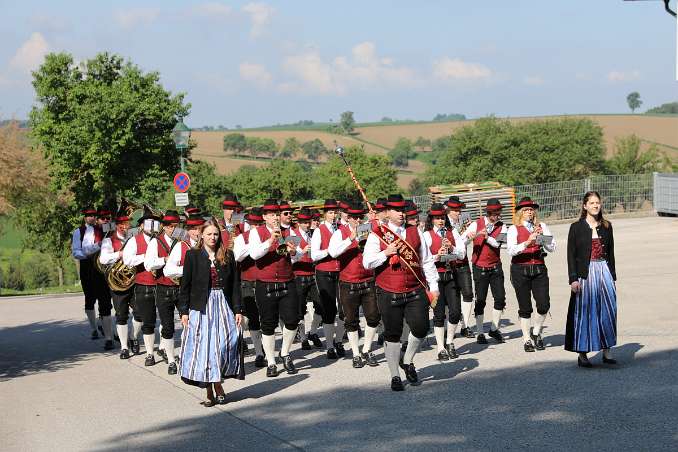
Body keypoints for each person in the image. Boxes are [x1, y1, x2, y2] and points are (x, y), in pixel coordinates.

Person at [363, 194, 439, 391]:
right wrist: (385, 253)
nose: (401, 214)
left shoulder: (415, 232)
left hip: (414, 288)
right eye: (397, 210)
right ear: (387, 212)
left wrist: (434, 286)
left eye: (403, 210)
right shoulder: (377, 234)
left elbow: (427, 260)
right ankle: (395, 375)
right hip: (388, 290)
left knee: (421, 328)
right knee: (393, 334)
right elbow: (367, 262)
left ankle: (407, 360)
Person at [178, 219, 244, 406]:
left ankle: (218, 382)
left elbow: (235, 286)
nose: (213, 237)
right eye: (209, 234)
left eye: (215, 234)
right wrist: (183, 310)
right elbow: (186, 285)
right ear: (202, 235)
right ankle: (211, 388)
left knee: (224, 344)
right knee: (205, 349)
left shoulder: (227, 255)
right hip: (201, 306)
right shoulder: (193, 255)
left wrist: (238, 309)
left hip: (223, 304)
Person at [565, 191, 617, 368]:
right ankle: (582, 353)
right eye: (592, 203)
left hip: (604, 270)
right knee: (585, 313)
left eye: (598, 203)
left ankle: (607, 351)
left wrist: (613, 277)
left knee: (608, 311)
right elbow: (571, 255)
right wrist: (573, 279)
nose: (595, 206)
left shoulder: (607, 226)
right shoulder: (576, 227)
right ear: (585, 206)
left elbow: (611, 253)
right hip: (585, 273)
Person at [248, 199, 300, 377]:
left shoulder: (289, 231)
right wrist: (271, 240)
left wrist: (294, 253)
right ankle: (271, 362)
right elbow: (254, 254)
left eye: (277, 214)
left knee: (292, 320)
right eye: (271, 215)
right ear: (264, 217)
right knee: (268, 324)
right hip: (266, 282)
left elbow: (297, 256)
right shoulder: (257, 232)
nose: (276, 218)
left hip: (287, 280)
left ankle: (285, 352)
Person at [329, 202, 380, 368]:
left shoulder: (371, 232)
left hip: (367, 280)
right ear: (348, 218)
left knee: (373, 317)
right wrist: (350, 238)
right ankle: (356, 354)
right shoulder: (339, 233)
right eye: (354, 217)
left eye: (360, 217)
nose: (358, 220)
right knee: (351, 320)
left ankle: (366, 349)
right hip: (348, 282)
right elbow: (333, 252)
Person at [507, 197, 557, 352]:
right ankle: (527, 339)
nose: (529, 212)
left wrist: (543, 240)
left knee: (543, 305)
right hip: (520, 269)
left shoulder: (541, 226)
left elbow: (553, 247)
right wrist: (527, 242)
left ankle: (536, 332)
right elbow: (511, 250)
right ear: (520, 213)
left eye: (531, 210)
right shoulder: (513, 228)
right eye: (526, 210)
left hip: (539, 268)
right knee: (525, 307)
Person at [99, 202, 142, 358]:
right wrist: (119, 255)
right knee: (121, 315)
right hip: (118, 284)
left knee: (140, 313)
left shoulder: (134, 239)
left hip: (135, 280)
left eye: (127, 224)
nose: (125, 227)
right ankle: (124, 347)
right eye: (122, 224)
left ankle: (133, 337)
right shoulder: (109, 241)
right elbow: (103, 259)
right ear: (116, 225)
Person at [423, 203, 466, 360]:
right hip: (436, 278)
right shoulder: (427, 235)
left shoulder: (452, 231)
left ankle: (449, 342)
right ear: (432, 219)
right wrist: (436, 255)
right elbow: (423, 260)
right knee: (439, 313)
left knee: (455, 312)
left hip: (451, 275)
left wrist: (452, 248)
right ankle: (440, 347)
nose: (440, 220)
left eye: (442, 217)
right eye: (437, 218)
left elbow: (462, 254)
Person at [145, 210, 185, 374]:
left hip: (182, 287)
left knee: (187, 324)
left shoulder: (183, 241)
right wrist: (164, 260)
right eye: (168, 226)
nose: (171, 229)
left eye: (174, 225)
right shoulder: (156, 242)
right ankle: (170, 360)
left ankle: (184, 354)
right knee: (168, 327)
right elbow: (148, 264)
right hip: (164, 288)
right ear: (163, 226)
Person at [122, 206, 161, 366]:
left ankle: (161, 349)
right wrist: (145, 256)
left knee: (164, 318)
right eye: (148, 223)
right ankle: (133, 337)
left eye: (154, 223)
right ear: (141, 225)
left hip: (160, 284)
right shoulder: (133, 241)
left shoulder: (160, 240)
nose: (151, 226)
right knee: (143, 318)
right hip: (143, 284)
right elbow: (127, 260)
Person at [466, 198, 508, 345]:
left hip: (495, 266)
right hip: (479, 266)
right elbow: (462, 241)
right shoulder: (475, 224)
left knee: (500, 299)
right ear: (488, 212)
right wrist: (475, 235)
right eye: (494, 213)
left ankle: (494, 328)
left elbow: (498, 244)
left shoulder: (503, 227)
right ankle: (480, 332)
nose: (497, 215)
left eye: (498, 212)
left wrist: (487, 237)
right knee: (481, 300)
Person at [71, 205, 113, 346]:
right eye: (89, 215)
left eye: (94, 215)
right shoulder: (79, 231)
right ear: (85, 217)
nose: (92, 217)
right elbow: (76, 252)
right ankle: (94, 328)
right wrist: (92, 249)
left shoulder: (102, 230)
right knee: (89, 300)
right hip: (87, 268)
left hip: (102, 268)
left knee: (105, 299)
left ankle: (107, 333)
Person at [311, 199, 346, 359]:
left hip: (341, 271)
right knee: (329, 309)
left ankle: (338, 341)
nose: (333, 215)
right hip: (324, 272)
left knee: (344, 309)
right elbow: (314, 255)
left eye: (335, 212)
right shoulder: (319, 230)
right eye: (330, 212)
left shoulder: (341, 228)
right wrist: (330, 251)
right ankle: (330, 346)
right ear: (325, 214)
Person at [232, 208, 266, 368]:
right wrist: (252, 245)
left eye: (259, 224)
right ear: (249, 224)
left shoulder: (268, 236)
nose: (257, 227)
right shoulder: (241, 238)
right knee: (253, 317)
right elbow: (237, 256)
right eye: (254, 224)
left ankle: (267, 349)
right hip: (247, 280)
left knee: (266, 316)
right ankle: (259, 352)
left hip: (265, 280)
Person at [289, 208, 323, 350]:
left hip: (312, 274)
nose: (307, 225)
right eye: (303, 222)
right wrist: (301, 252)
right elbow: (289, 260)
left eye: (308, 222)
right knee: (300, 309)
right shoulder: (293, 236)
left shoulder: (313, 234)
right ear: (298, 222)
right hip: (298, 275)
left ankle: (313, 332)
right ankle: (303, 338)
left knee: (321, 305)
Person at [444, 196, 475, 339]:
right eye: (455, 210)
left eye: (459, 209)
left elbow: (463, 246)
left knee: (468, 293)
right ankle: (446, 327)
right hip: (448, 264)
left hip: (462, 262)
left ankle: (466, 325)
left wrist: (469, 236)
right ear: (448, 210)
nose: (458, 212)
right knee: (449, 297)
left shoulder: (463, 222)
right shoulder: (443, 223)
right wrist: (465, 237)